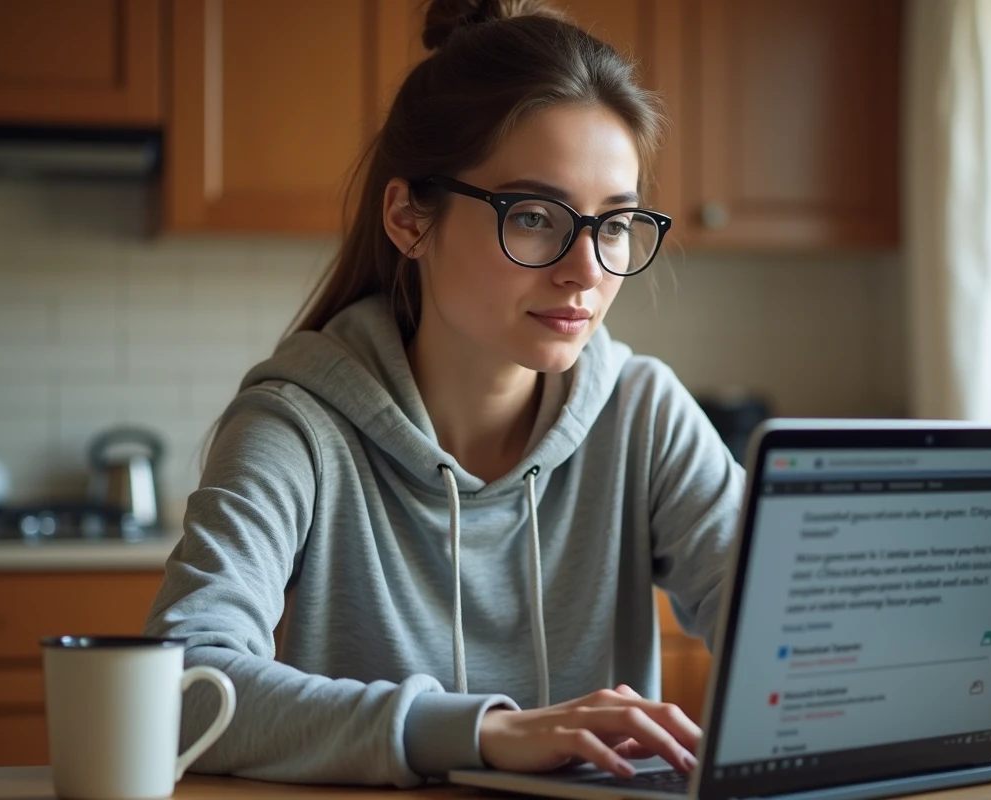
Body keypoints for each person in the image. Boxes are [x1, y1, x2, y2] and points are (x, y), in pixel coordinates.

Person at [144, 0, 745, 787]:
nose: (587, 271)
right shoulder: (296, 429)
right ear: (408, 219)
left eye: (614, 223)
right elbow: (185, 688)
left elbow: (789, 629)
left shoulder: (642, 414)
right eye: (534, 216)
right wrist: (483, 732)